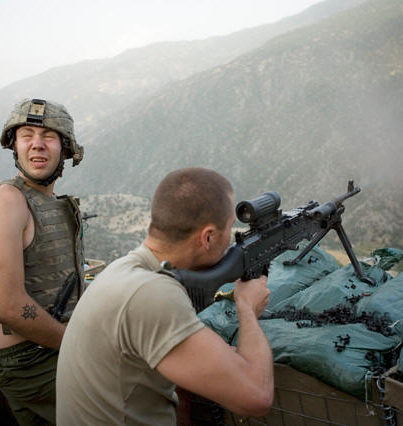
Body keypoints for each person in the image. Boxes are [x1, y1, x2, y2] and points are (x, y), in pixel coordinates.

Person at [56, 167, 274, 425]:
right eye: (230, 229)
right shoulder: (152, 295)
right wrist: (247, 307)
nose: (231, 240)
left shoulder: (125, 268)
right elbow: (256, 396)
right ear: (208, 237)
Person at [0, 98, 85, 425]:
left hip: (45, 348)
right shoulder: (7, 201)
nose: (37, 144)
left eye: (48, 136)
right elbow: (7, 307)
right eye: (27, 135)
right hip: (29, 359)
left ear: (65, 149)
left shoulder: (49, 203)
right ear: (15, 146)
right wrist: (80, 346)